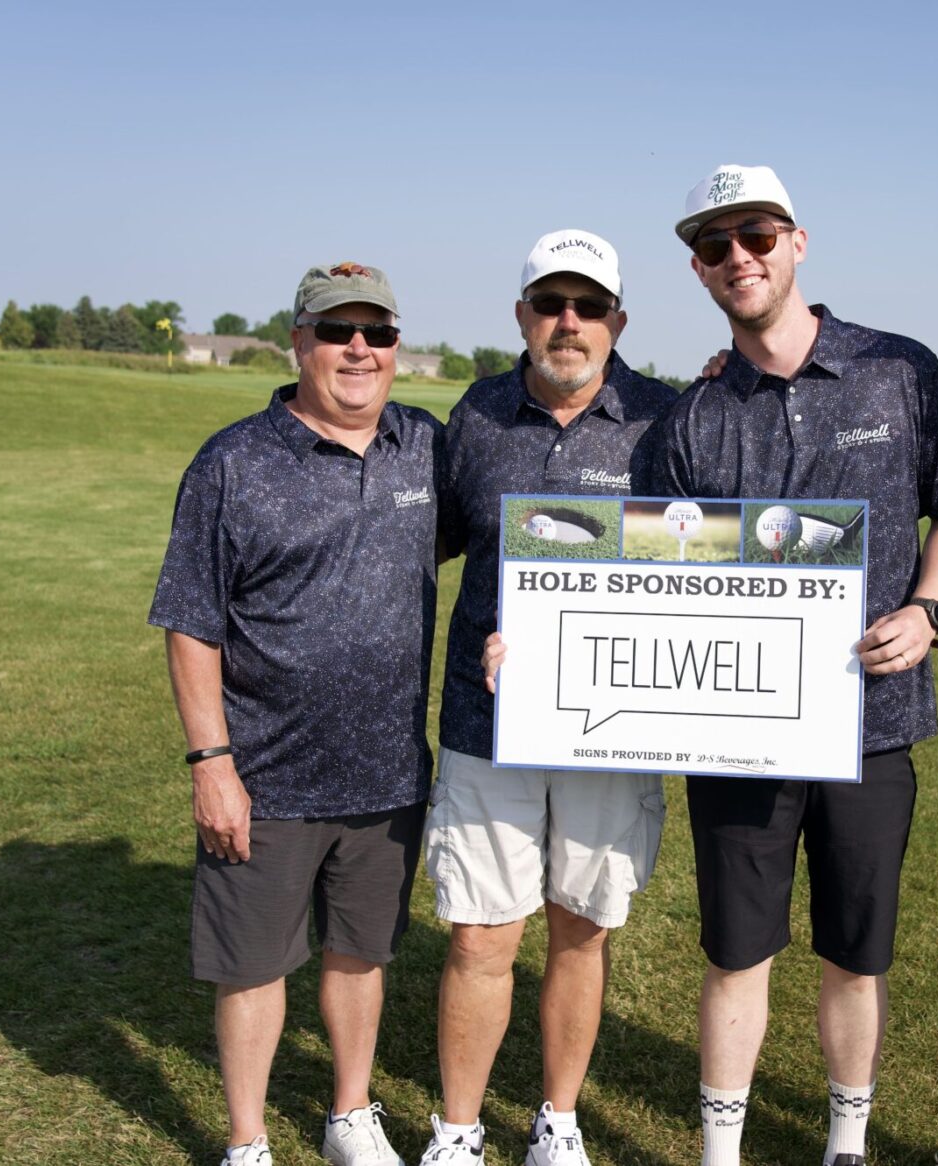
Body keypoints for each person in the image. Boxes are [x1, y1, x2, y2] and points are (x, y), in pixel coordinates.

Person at [654, 164, 938, 1166]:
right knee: (735, 948)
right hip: (736, 733)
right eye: (714, 246)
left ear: (796, 241)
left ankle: (844, 1139)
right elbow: (649, 566)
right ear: (699, 270)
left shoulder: (900, 370)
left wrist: (929, 607)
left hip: (869, 720)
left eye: (755, 235)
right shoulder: (693, 414)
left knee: (853, 949)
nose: (737, 257)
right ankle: (719, 1150)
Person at [150, 262, 443, 1166]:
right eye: (337, 331)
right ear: (298, 342)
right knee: (252, 966)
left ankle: (350, 1113)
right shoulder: (234, 461)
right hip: (265, 773)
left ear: (398, 346)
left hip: (388, 772)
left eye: (378, 333)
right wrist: (212, 763)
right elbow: (191, 622)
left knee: (361, 955)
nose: (360, 349)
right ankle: (246, 1140)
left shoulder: (426, 447)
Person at [416, 231, 676, 1166]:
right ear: (523, 313)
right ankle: (457, 1129)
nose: (570, 323)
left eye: (590, 306)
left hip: (613, 726)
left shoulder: (664, 418)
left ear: (619, 321)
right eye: (551, 303)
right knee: (483, 935)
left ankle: (557, 1120)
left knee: (581, 927)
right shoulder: (478, 414)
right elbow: (439, 540)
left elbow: (703, 568)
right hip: (488, 720)